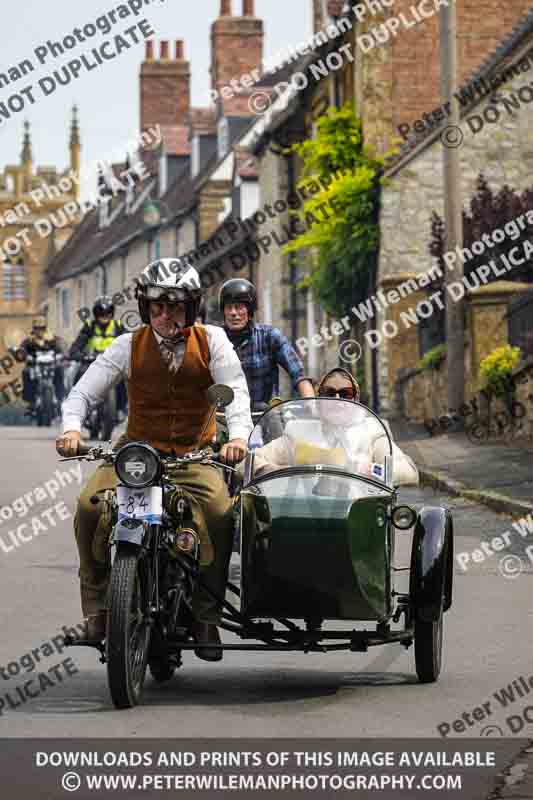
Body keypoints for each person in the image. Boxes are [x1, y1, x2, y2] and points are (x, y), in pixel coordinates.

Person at [56, 259, 253, 661]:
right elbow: (81, 393)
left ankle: (205, 615)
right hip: (135, 454)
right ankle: (98, 613)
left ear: (191, 307)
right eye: (157, 307)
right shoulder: (127, 345)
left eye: (175, 306)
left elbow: (235, 391)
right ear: (146, 308)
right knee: (88, 508)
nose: (165, 315)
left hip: (195, 455)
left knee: (218, 513)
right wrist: (72, 428)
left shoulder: (213, 340)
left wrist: (238, 438)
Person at [253, 367, 419, 486]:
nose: (337, 399)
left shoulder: (373, 430)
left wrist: (370, 470)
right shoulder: (297, 431)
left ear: (356, 400)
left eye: (346, 394)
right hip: (303, 513)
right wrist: (279, 471)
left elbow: (407, 471)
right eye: (329, 393)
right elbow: (250, 461)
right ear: (319, 399)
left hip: (358, 515)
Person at [219, 278, 315, 406]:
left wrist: (312, 406)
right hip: (225, 417)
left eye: (239, 307)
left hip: (265, 415)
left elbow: (298, 374)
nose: (233, 313)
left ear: (250, 310)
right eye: (229, 307)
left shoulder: (269, 336)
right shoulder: (215, 340)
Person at [68, 296, 128, 416]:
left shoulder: (118, 326)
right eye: (101, 314)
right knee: (80, 375)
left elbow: (129, 342)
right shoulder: (89, 327)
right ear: (96, 314)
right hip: (91, 363)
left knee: (125, 381)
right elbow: (77, 345)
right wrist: (78, 354)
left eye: (108, 313)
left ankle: (121, 408)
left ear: (112, 313)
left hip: (113, 364)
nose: (105, 317)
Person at [20, 316, 65, 413]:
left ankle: (61, 398)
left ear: (46, 328)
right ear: (33, 329)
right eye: (37, 328)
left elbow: (61, 348)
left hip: (51, 364)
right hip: (34, 365)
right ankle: (30, 401)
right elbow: (22, 350)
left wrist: (62, 354)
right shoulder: (29, 340)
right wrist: (24, 355)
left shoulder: (53, 338)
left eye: (42, 328)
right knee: (26, 372)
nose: (39, 330)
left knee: (60, 370)